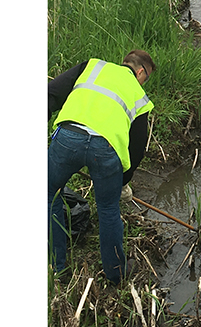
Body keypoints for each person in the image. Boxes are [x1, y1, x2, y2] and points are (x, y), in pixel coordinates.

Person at [47, 50, 156, 286]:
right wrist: (123, 181)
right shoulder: (140, 96)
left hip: (68, 138)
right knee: (108, 209)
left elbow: (52, 93)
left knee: (50, 196)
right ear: (140, 72)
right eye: (145, 78)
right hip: (105, 150)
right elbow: (137, 150)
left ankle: (58, 269)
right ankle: (116, 275)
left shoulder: (92, 66)